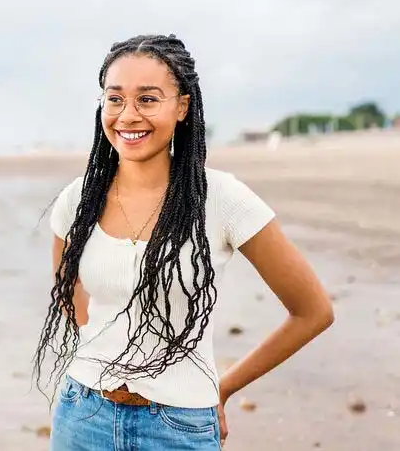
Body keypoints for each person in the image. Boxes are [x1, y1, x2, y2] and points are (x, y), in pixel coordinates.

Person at [33, 34, 334, 450]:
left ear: (182, 107)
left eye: (148, 99)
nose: (128, 115)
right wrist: (107, 346)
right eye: (114, 98)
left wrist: (224, 387)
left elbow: (312, 311)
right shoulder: (78, 198)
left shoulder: (223, 199)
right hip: (82, 417)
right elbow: (69, 292)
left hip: (178, 427)